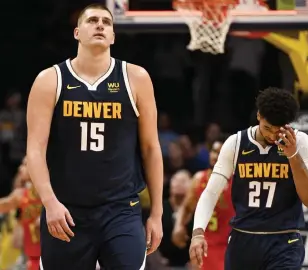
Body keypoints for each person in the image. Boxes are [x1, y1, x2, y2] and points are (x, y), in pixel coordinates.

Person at [26, 4, 163, 270]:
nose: (100, 25)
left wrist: (156, 213)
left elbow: (151, 148)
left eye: (106, 22)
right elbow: (35, 149)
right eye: (92, 21)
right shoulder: (49, 80)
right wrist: (50, 202)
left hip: (122, 209)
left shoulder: (136, 78)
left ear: (113, 36)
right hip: (67, 210)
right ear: (77, 32)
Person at [189, 87, 308, 269]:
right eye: (267, 128)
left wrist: (292, 156)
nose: (272, 136)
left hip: (284, 241)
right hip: (244, 238)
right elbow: (211, 192)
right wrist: (197, 233)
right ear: (259, 116)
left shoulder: (301, 142)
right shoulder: (236, 143)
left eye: (278, 130)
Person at [172, 136, 234, 270]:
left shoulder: (238, 182)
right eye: (214, 151)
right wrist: (179, 225)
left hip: (230, 248)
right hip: (205, 246)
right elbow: (187, 207)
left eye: (220, 152)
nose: (215, 156)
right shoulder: (199, 178)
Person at [0, 159, 41, 270]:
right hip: (31, 259)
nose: (20, 168)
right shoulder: (21, 195)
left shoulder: (55, 195)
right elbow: (4, 205)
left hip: (52, 257)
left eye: (25, 164)